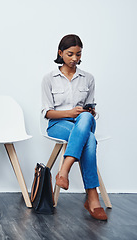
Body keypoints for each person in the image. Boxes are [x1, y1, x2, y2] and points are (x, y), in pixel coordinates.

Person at [41, 34, 107, 221]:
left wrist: (88, 113)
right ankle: (93, 198)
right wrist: (70, 113)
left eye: (78, 54)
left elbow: (92, 108)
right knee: (90, 140)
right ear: (61, 53)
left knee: (86, 117)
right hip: (57, 124)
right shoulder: (49, 79)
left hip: (83, 123)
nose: (74, 59)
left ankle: (64, 170)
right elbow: (47, 113)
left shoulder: (88, 78)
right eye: (70, 54)